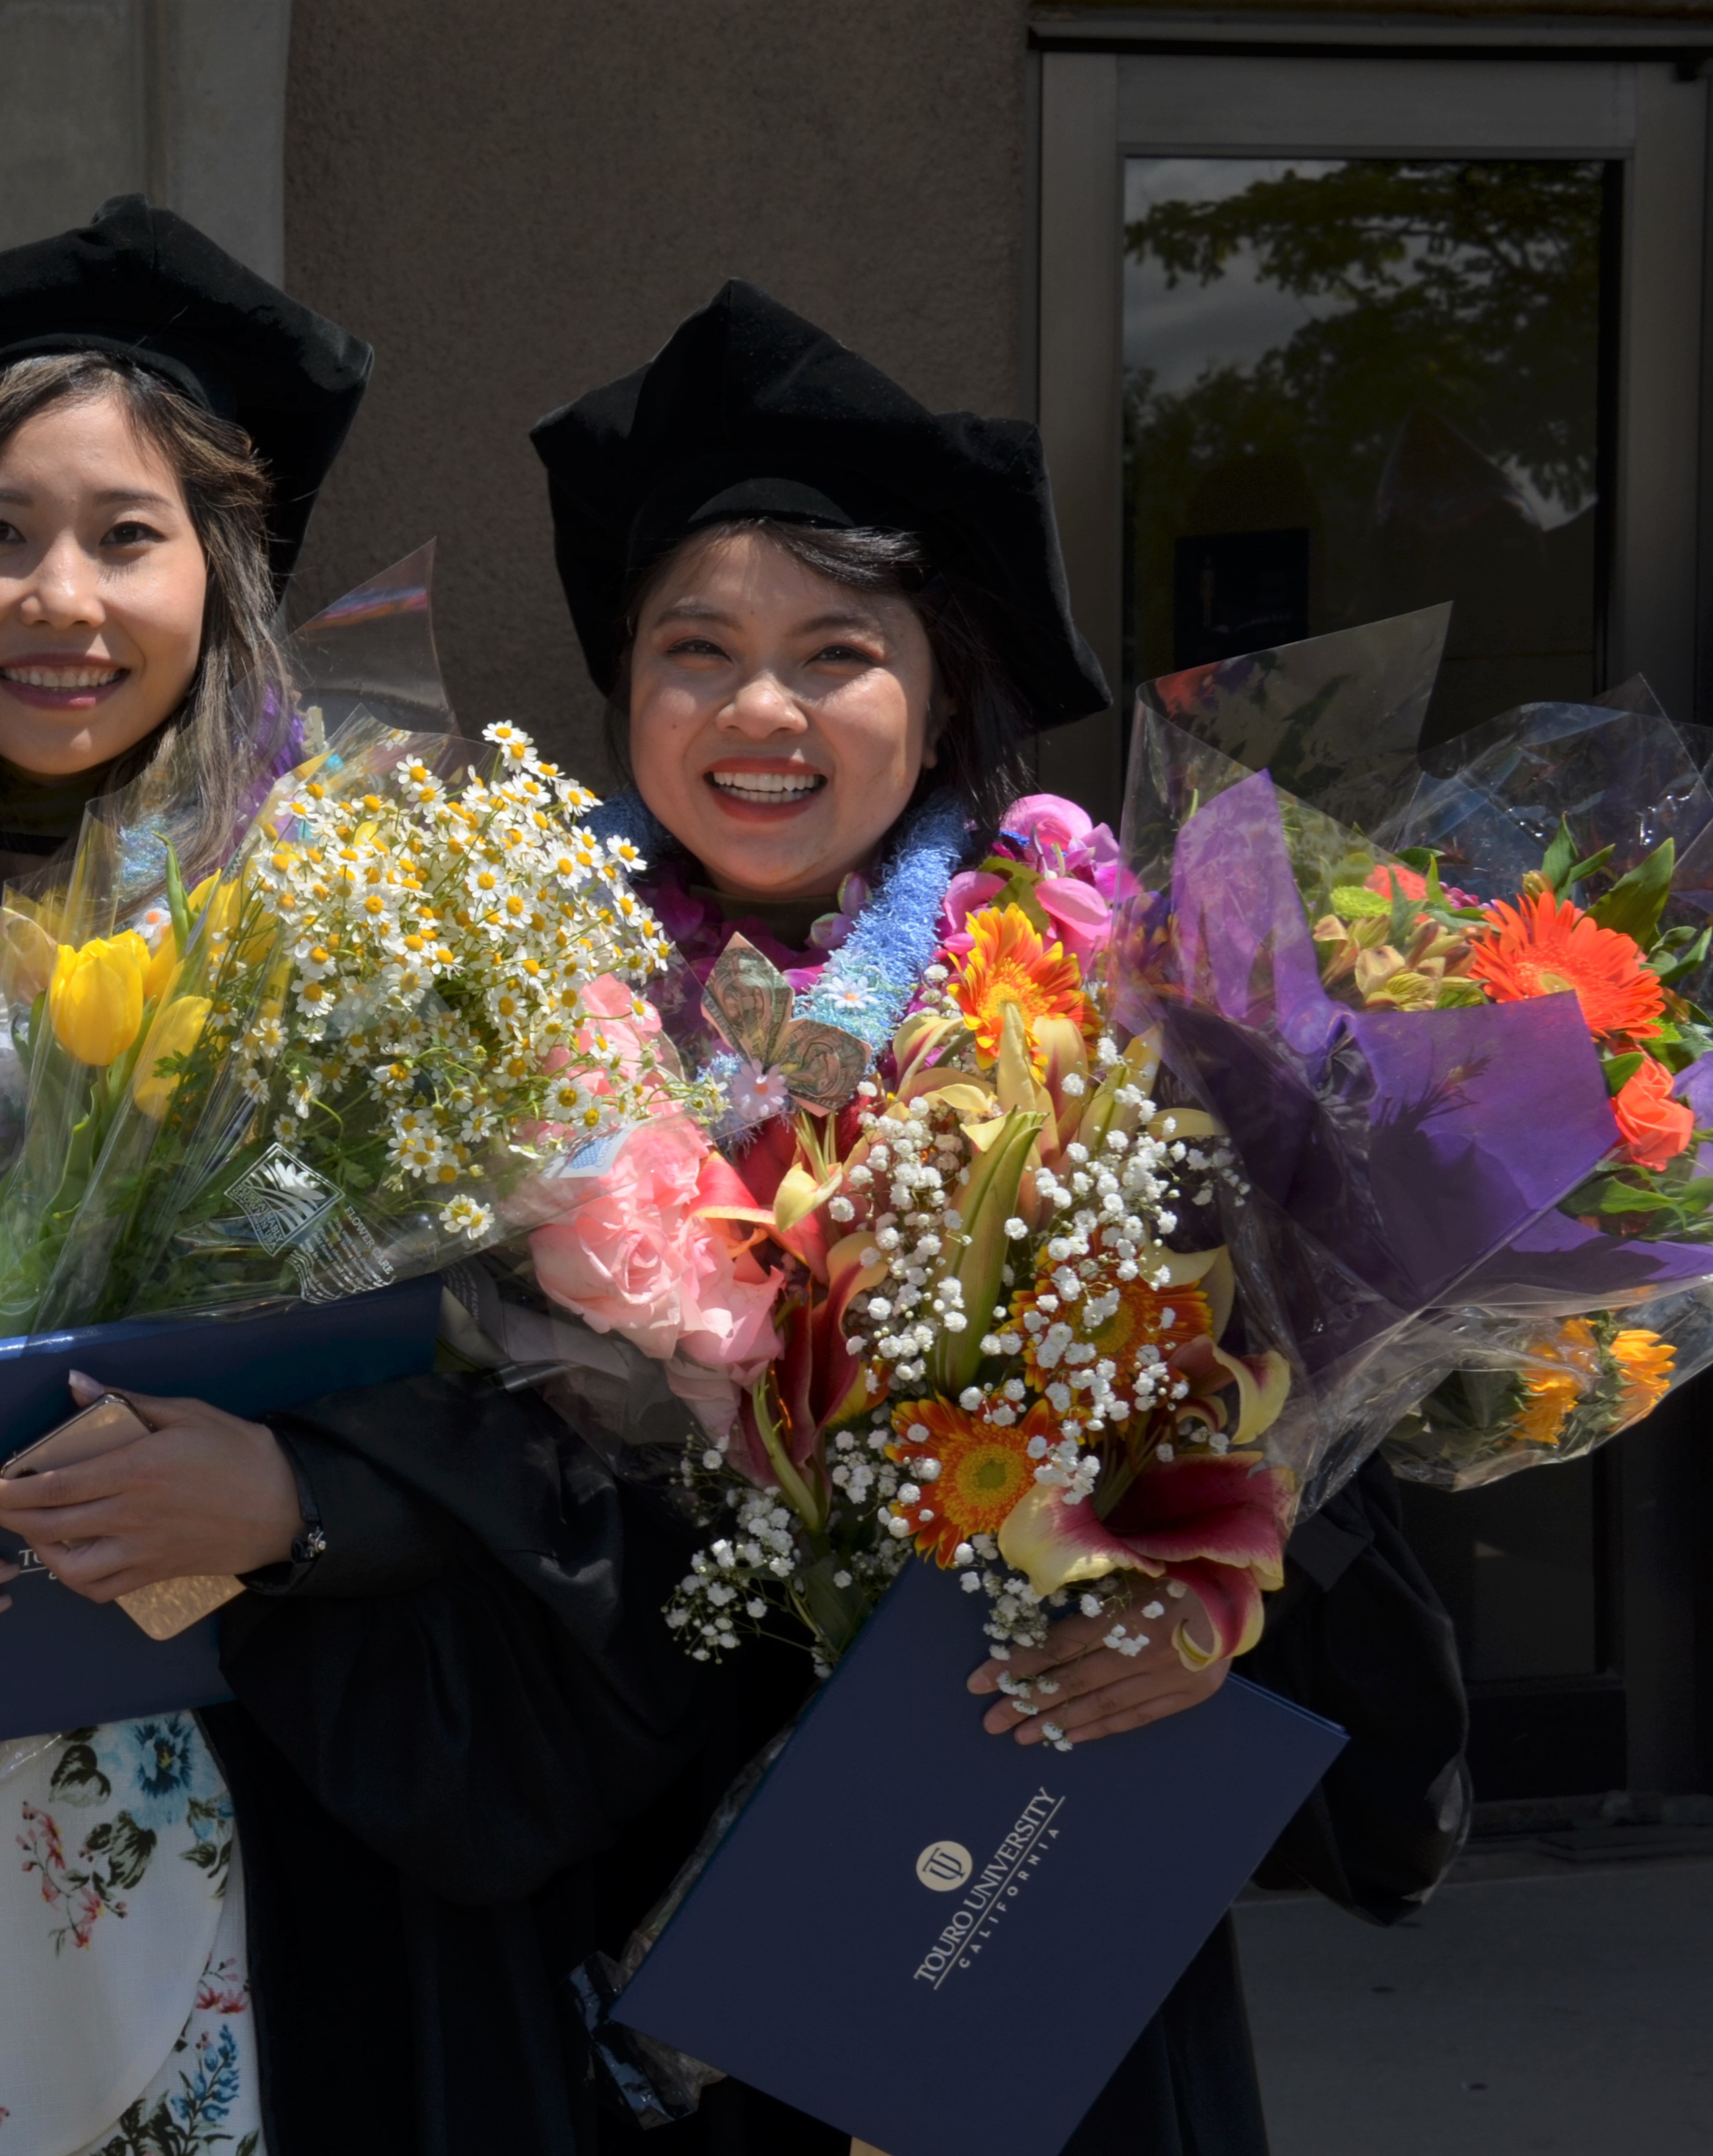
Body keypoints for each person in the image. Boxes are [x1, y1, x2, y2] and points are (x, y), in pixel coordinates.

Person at [0, 198, 800, 2156]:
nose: (59, 600)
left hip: (312, 1816)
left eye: (125, 535)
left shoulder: (380, 914)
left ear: (219, 573)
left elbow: (575, 1395)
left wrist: (302, 1499)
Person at [531, 280, 1471, 2153]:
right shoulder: (519, 1029)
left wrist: (1205, 1607)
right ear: (629, 689)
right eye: (696, 650)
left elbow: (1280, 1437)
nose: (761, 710)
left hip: (1047, 1877)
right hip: (659, 1900)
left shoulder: (1118, 1000)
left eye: (838, 652)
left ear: (943, 689)